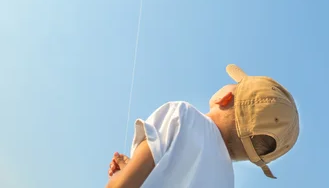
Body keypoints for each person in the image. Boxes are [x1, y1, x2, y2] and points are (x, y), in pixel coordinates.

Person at [106, 64, 299, 187]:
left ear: (225, 98)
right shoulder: (226, 182)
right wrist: (132, 167)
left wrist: (121, 176)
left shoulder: (182, 116)